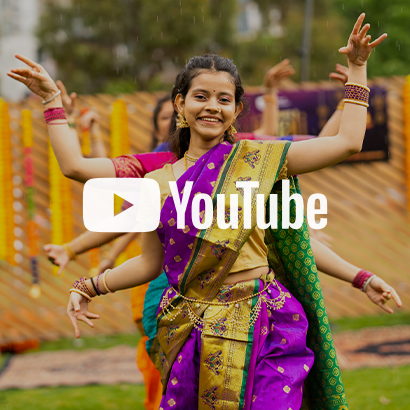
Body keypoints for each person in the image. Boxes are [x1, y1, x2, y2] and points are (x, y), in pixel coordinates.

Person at [8, 14, 400, 409]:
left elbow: (347, 142)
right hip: (194, 331)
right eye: (201, 96)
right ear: (181, 103)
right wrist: (89, 286)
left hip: (267, 323)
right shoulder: (157, 182)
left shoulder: (258, 161)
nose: (212, 107)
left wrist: (357, 68)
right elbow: (147, 261)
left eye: (224, 99)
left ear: (236, 109)